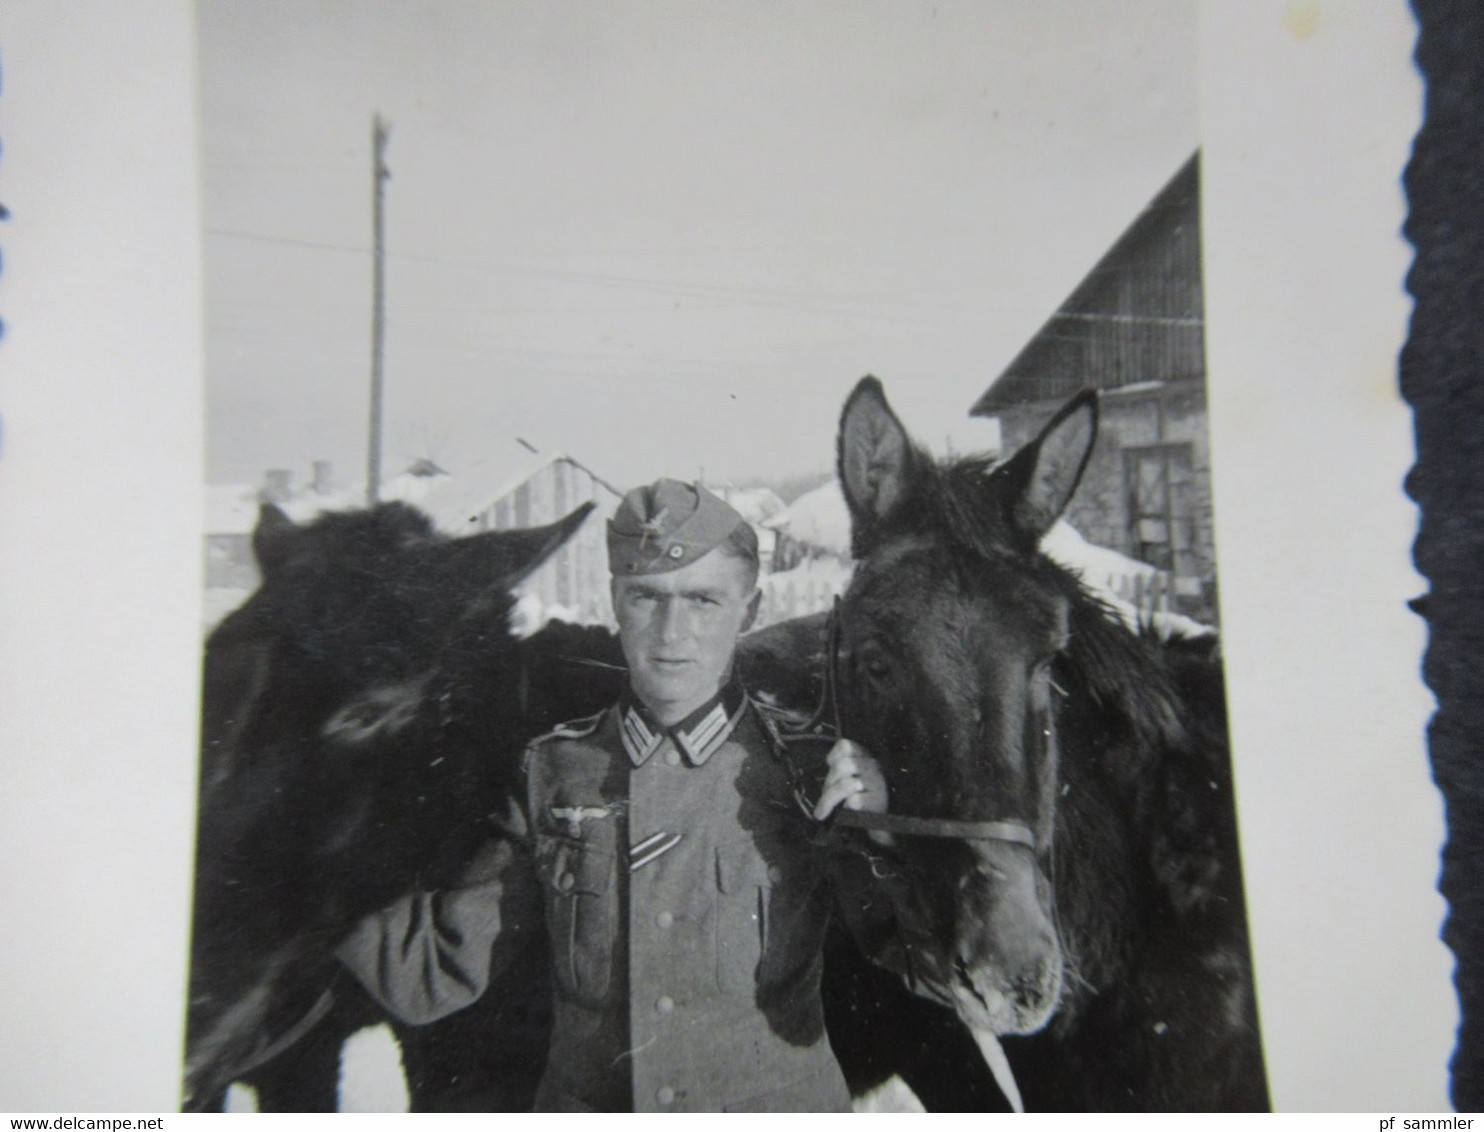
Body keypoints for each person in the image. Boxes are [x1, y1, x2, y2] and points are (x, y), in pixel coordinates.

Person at [336, 479, 911, 1112]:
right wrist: (303, 864)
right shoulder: (552, 771)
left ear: (749, 612)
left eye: (703, 600)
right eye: (646, 597)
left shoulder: (811, 772)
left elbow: (919, 963)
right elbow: (432, 972)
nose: (671, 632)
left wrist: (882, 833)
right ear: (615, 602)